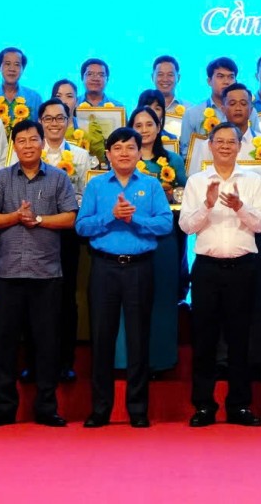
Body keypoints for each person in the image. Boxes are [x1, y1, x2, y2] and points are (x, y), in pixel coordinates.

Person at [75, 126, 174, 427]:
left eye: (130, 147)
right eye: (117, 148)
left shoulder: (152, 185)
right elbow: (82, 226)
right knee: (101, 338)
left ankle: (138, 410)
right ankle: (100, 409)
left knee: (138, 338)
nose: (124, 153)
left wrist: (134, 219)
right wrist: (112, 216)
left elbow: (165, 224)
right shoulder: (96, 185)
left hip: (139, 268)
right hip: (104, 267)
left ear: (139, 152)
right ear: (108, 154)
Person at [0, 120, 79, 426]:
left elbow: (70, 218)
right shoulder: (1, 179)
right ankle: (4, 408)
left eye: (33, 139)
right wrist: (14, 217)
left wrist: (38, 220)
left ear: (42, 143)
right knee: (6, 344)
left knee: (47, 343)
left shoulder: (59, 178)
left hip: (46, 274)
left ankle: (47, 408)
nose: (27, 145)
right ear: (14, 145)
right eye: (21, 140)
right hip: (8, 273)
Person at [179, 122, 261, 426]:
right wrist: (207, 205)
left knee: (240, 339)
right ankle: (203, 406)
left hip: (243, 268)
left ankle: (239, 406)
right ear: (210, 145)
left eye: (231, 142)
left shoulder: (254, 180)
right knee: (204, 339)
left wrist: (240, 206)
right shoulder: (197, 181)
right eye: (219, 141)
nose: (225, 147)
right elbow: (186, 226)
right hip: (207, 269)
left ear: (240, 146)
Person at [120, 105, 187, 377]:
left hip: (162, 238)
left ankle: (161, 360)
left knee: (162, 298)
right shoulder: (123, 158)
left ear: (159, 128)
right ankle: (128, 361)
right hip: (128, 235)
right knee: (129, 300)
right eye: (138, 125)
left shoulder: (173, 160)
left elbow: (184, 195)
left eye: (149, 124)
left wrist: (170, 195)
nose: (144, 130)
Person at [36, 98, 91, 382]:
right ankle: (35, 362)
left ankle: (65, 361)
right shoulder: (32, 151)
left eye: (60, 118)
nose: (54, 123)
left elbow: (85, 194)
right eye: (49, 118)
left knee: (66, 296)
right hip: (35, 232)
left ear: (69, 122)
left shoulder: (81, 155)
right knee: (35, 298)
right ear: (40, 122)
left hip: (67, 232)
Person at [0, 46, 34, 130]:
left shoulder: (34, 98)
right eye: (7, 64)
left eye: (17, 65)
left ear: (23, 69)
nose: (12, 69)